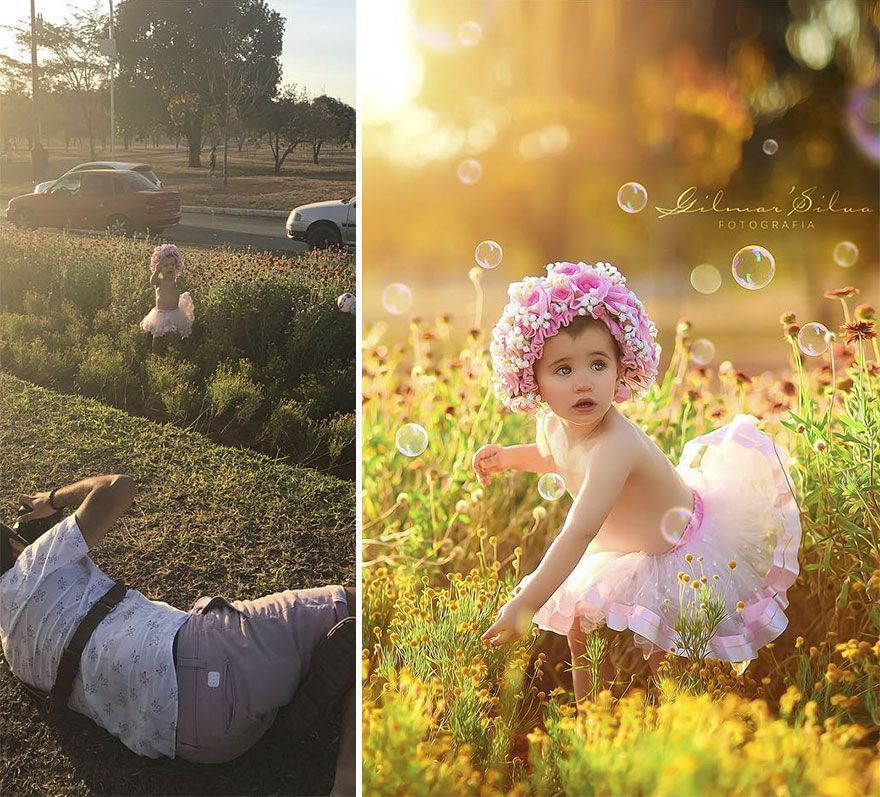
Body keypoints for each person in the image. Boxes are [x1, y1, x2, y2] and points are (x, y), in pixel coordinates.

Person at [475, 261, 801, 704]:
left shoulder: (615, 447)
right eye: (563, 370)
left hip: (680, 550)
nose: (584, 382)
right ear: (532, 379)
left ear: (621, 367)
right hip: (625, 547)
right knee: (580, 627)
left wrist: (525, 605)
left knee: (667, 652)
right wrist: (510, 458)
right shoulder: (553, 424)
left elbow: (579, 532)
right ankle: (596, 717)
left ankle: (682, 725)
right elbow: (554, 458)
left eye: (597, 363)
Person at [0, 475, 355, 794]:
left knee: (297, 660)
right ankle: (348, 784)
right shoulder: (35, 560)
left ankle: (289, 686)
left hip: (197, 744)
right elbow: (118, 487)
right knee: (364, 604)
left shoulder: (11, 650)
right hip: (210, 662)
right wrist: (52, 499)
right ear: (17, 543)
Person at [140, 244, 194, 354]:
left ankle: (171, 355)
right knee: (157, 337)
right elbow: (152, 281)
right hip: (160, 314)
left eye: (172, 264)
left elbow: (182, 288)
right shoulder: (160, 281)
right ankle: (156, 355)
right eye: (165, 265)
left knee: (172, 337)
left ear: (176, 266)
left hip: (174, 313)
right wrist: (156, 271)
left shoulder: (175, 281)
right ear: (159, 267)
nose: (169, 267)